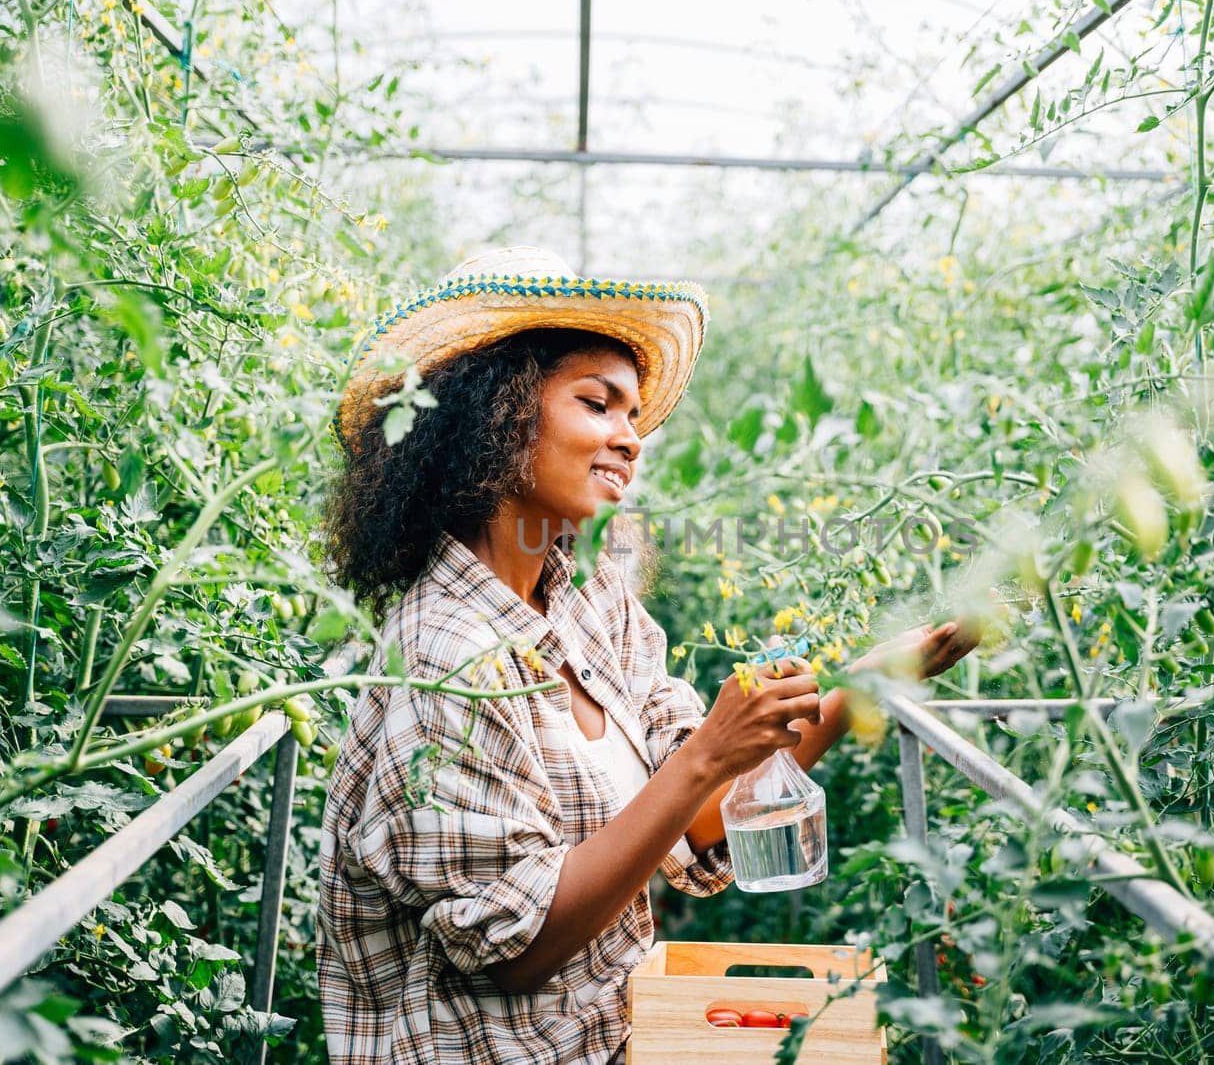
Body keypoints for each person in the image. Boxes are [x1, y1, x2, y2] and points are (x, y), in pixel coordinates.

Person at [315, 246, 980, 1064]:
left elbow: (696, 820)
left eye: (634, 417)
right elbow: (520, 950)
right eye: (600, 404)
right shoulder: (443, 655)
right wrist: (706, 753)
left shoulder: (592, 601)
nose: (631, 440)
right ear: (494, 413)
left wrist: (862, 686)